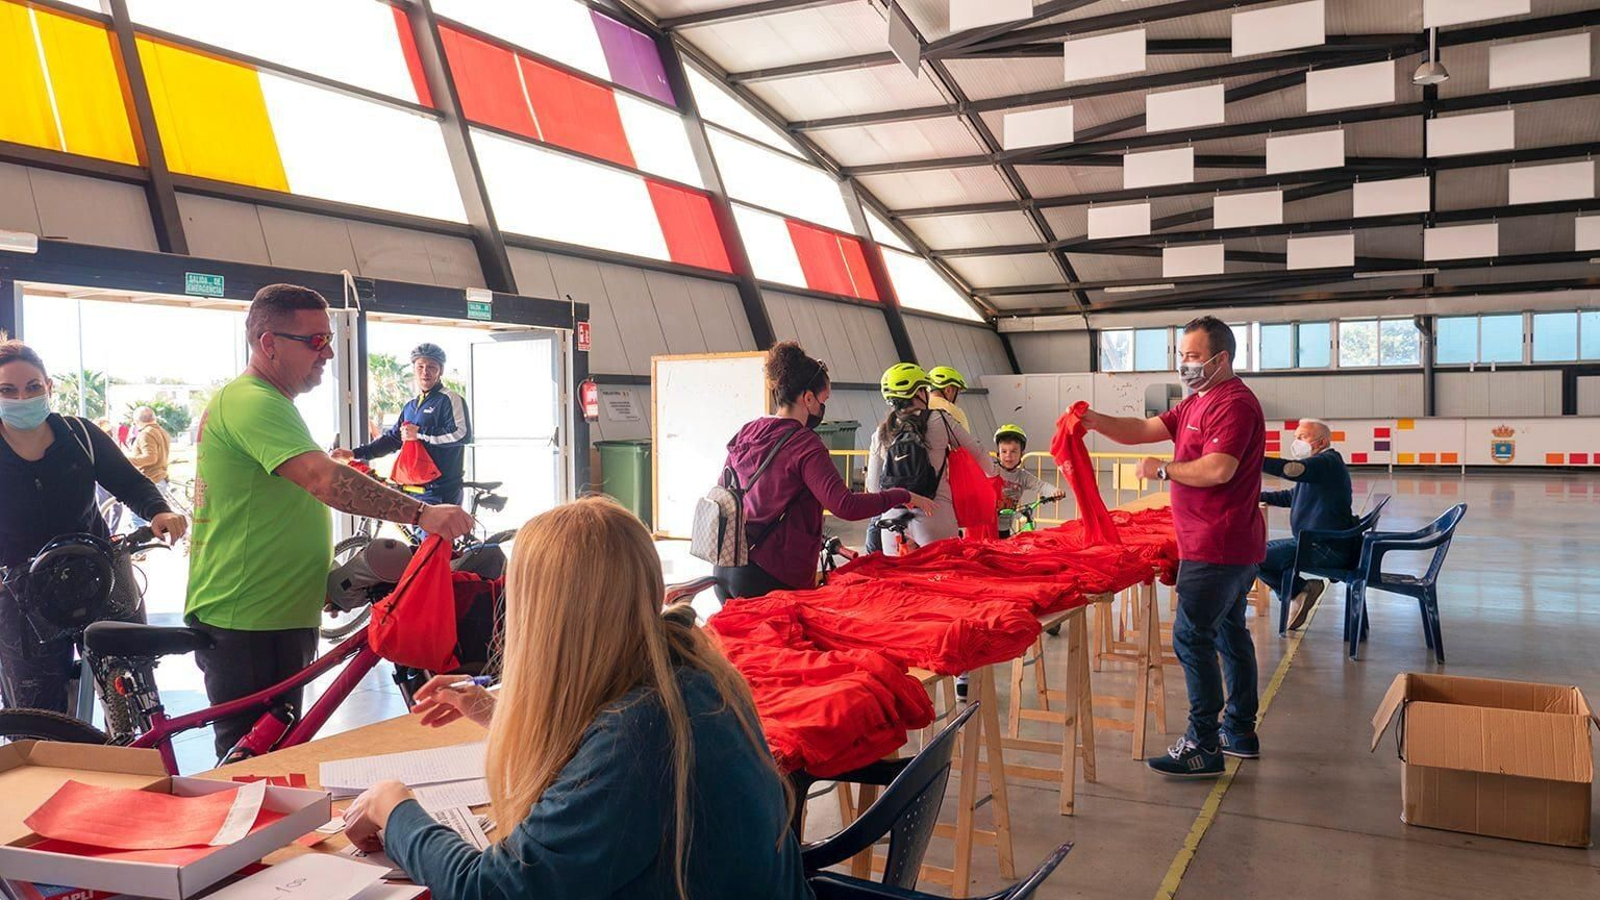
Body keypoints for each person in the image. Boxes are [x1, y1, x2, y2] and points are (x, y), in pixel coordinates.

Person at [341, 498, 813, 900]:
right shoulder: (693, 676)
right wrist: (498, 712)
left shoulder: (638, 733)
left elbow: (490, 890)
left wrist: (393, 807)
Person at [185, 285, 473, 759]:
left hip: (276, 613)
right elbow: (322, 480)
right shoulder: (251, 401)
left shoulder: (273, 404)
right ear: (268, 344)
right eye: (315, 341)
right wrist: (422, 513)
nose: (330, 352)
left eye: (330, 339)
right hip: (249, 620)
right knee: (251, 769)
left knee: (277, 757)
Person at [1078, 316, 1266, 777]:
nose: (1185, 364)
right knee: (1228, 634)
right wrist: (1092, 421)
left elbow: (1218, 469)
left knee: (1190, 636)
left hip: (1217, 545)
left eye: (1194, 356)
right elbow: (1143, 429)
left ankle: (1202, 743)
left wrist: (1161, 470)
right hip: (1220, 543)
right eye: (1181, 355)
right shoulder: (1196, 401)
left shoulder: (1234, 404)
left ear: (1221, 359)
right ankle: (1239, 730)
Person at [0, 340, 186, 711]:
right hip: (22, 594)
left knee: (133, 702)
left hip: (101, 578)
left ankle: (133, 763)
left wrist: (158, 511)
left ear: (49, 387)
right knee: (37, 718)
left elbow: (130, 482)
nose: (22, 398)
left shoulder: (80, 435)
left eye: (33, 387)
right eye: (8, 390)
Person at [714, 342, 932, 601]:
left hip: (727, 565)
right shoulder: (804, 443)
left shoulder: (749, 431)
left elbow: (728, 490)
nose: (822, 408)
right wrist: (902, 495)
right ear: (807, 398)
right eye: (822, 400)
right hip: (771, 577)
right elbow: (845, 506)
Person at [867, 363, 990, 555]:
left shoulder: (881, 431)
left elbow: (874, 487)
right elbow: (979, 452)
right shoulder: (939, 419)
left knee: (899, 582)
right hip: (935, 514)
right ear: (918, 393)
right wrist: (994, 472)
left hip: (892, 521)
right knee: (944, 578)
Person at [333, 343, 471, 506]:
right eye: (420, 366)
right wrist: (354, 453)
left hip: (441, 491)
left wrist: (419, 432)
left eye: (432, 367)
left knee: (435, 533)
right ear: (414, 369)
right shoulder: (411, 406)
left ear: (440, 371)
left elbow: (462, 434)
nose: (425, 372)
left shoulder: (450, 399)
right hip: (413, 489)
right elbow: (392, 440)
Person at [1258, 418, 1354, 631]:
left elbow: (1290, 469)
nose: (1297, 442)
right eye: (1296, 437)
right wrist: (1253, 496)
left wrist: (1251, 459)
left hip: (1325, 547)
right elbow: (1291, 496)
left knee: (1253, 557)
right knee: (1254, 552)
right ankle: (1300, 591)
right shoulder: (1318, 468)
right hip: (1312, 542)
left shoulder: (1326, 462)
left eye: (1303, 437)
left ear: (1321, 442)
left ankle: (1299, 591)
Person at [993, 423, 1064, 537]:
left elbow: (1041, 485)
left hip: (1005, 527)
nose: (1008, 456)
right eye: (1004, 451)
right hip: (987, 526)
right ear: (998, 454)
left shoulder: (1023, 476)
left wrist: (1054, 492)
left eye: (1014, 451)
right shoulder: (992, 470)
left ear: (1022, 454)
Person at [125, 406, 172, 529]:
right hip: (160, 477)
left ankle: (141, 547)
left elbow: (151, 458)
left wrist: (126, 460)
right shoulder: (161, 431)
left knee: (138, 519)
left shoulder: (146, 433)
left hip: (151, 479)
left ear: (136, 421)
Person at [926, 365, 972, 433]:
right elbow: (967, 441)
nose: (957, 400)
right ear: (948, 390)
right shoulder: (953, 411)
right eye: (957, 393)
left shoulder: (922, 407)